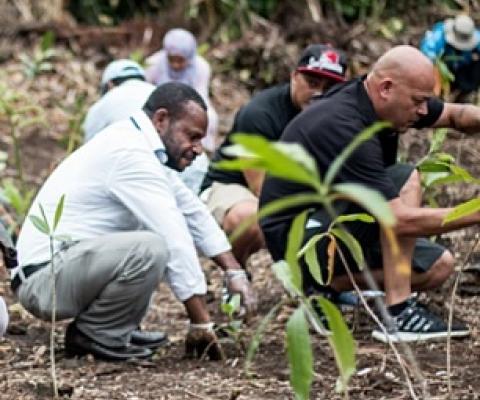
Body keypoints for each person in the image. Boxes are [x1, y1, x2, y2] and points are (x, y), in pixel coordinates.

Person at [13, 82, 256, 361]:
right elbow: (174, 235)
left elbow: (191, 210)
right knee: (151, 246)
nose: (198, 149)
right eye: (192, 136)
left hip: (61, 270)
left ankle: (116, 327)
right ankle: (96, 333)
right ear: (161, 120)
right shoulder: (129, 153)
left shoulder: (139, 147)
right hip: (44, 282)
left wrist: (233, 270)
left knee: (147, 240)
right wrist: (200, 321)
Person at [259, 45, 480, 343]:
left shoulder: (379, 101)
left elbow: (456, 116)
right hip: (296, 238)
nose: (424, 112)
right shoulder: (346, 126)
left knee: (438, 266)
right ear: (386, 88)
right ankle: (398, 313)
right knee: (404, 178)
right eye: (418, 102)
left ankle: (322, 290)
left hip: (335, 222)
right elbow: (398, 220)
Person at [200, 44, 347, 266]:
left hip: (296, 189)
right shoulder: (260, 114)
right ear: (294, 76)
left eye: (330, 87)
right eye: (313, 83)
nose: (319, 94)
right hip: (234, 184)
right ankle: (235, 273)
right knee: (250, 219)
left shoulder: (339, 117)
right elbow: (261, 188)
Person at [83, 59, 209, 194]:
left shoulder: (102, 104)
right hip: (197, 167)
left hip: (167, 165)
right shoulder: (157, 93)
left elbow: (90, 155)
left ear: (110, 85)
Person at [145, 28, 219, 153]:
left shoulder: (201, 67)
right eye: (172, 59)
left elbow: (201, 96)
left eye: (180, 60)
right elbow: (146, 90)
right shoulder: (154, 64)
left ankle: (204, 152)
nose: (175, 65)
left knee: (211, 117)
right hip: (160, 106)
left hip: (189, 106)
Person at [420, 14, 480, 98]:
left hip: (462, 69)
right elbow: (427, 50)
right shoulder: (440, 34)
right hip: (444, 70)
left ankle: (466, 92)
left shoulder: (476, 37)